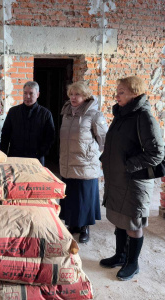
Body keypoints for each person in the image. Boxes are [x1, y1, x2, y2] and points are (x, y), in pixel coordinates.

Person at [100, 76, 164, 281]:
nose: (116, 95)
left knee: (133, 223)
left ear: (135, 93)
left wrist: (129, 165)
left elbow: (156, 153)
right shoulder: (122, 115)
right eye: (117, 91)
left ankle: (132, 263)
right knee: (120, 218)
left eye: (121, 92)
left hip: (134, 181)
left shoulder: (143, 117)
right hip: (118, 178)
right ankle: (120, 256)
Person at [59, 81, 108, 243]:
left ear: (85, 96)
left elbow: (104, 140)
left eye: (77, 94)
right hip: (68, 162)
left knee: (84, 197)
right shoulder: (66, 113)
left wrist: (91, 154)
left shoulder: (94, 115)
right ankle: (73, 225)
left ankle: (85, 227)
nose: (73, 97)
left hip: (85, 164)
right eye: (71, 94)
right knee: (71, 195)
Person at [0, 81, 55, 165]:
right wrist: (2, 156)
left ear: (38, 94)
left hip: (36, 159)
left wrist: (40, 153)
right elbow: (5, 135)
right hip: (15, 157)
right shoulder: (13, 112)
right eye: (25, 93)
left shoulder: (46, 114)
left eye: (31, 93)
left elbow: (50, 138)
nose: (27, 96)